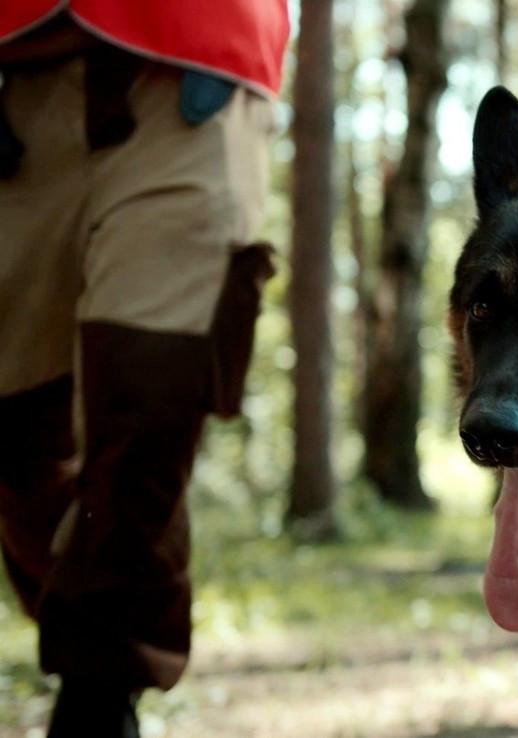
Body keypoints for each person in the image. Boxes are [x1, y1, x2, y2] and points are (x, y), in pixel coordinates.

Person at [0, 2, 288, 735]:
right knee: (17, 429)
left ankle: (100, 689)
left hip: (196, 73)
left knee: (150, 386)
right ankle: (93, 623)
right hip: (19, 82)